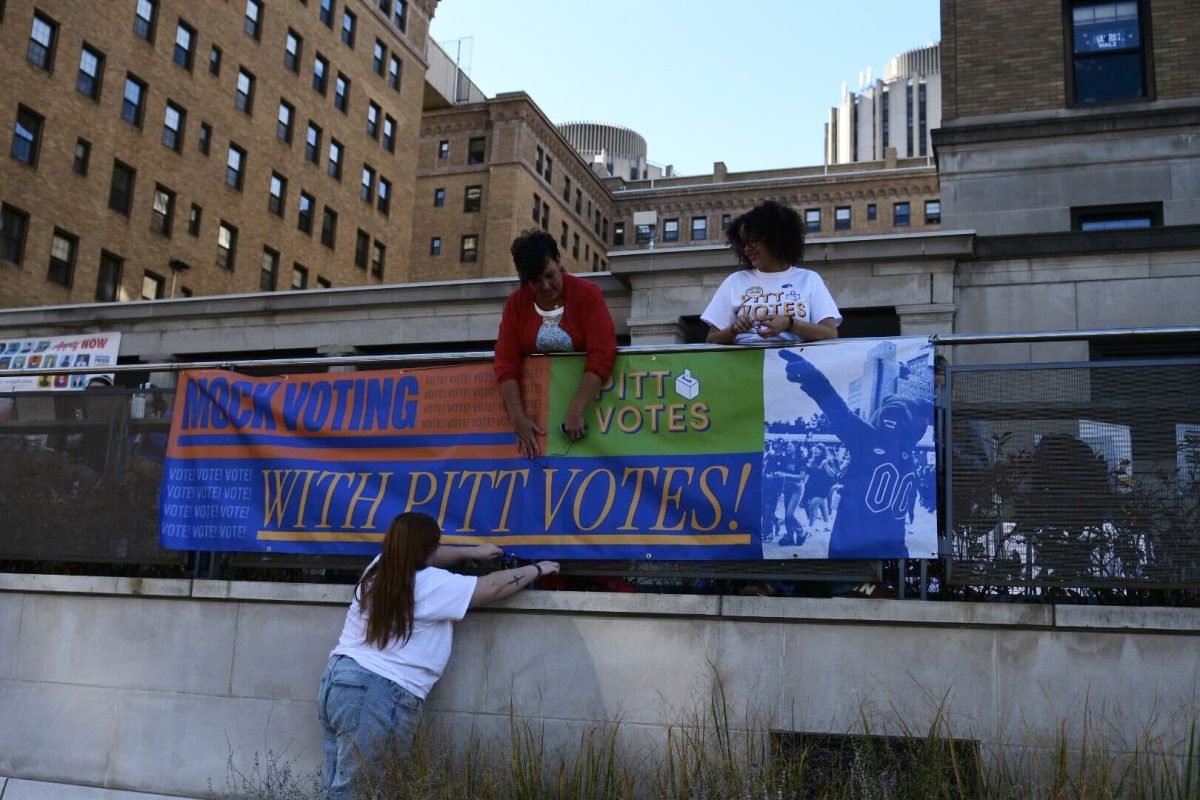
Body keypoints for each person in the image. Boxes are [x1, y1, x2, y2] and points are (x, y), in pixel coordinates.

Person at [318, 512, 560, 799]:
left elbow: (431, 556)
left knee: (342, 788)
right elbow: (493, 586)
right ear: (427, 548)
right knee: (364, 793)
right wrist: (539, 569)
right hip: (377, 695)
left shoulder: (380, 567)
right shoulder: (431, 584)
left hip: (339, 683)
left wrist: (474, 554)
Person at [494, 229, 617, 457]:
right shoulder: (515, 305)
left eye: (550, 275)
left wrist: (577, 408)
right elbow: (505, 363)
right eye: (536, 281)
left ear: (559, 261)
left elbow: (602, 354)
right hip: (536, 420)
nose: (546, 286)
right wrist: (518, 418)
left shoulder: (587, 294)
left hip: (593, 416)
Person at [702, 200, 841, 345]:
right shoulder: (734, 281)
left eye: (753, 241)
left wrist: (789, 323)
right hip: (745, 363)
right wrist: (734, 329)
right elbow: (712, 339)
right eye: (743, 243)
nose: (747, 249)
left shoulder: (809, 279)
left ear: (776, 239)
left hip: (795, 363)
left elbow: (830, 333)